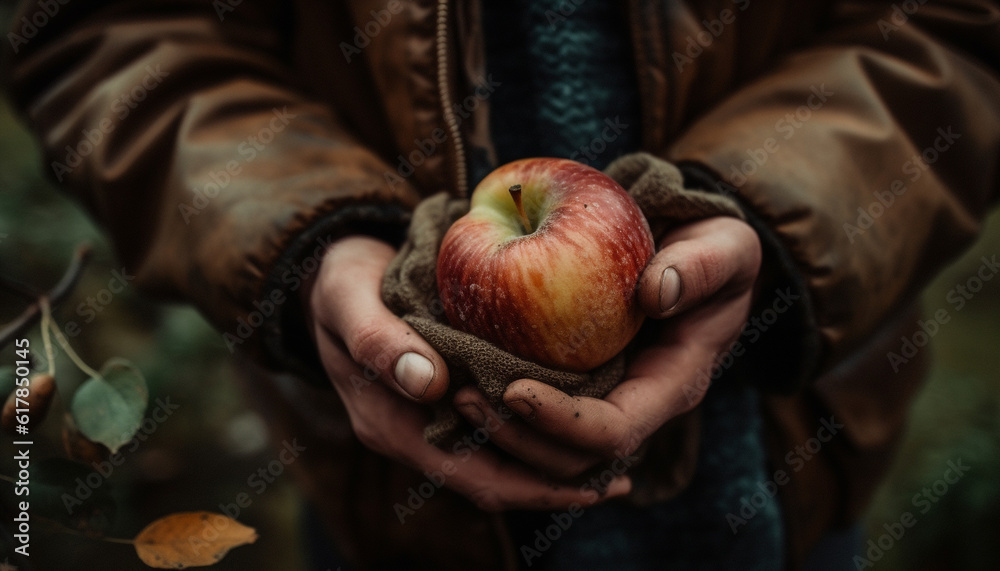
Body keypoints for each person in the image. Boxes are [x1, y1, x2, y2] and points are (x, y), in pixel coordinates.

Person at [5, 0, 998, 569]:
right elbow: (91, 30)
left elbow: (957, 30)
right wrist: (302, 247)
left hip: (784, 496)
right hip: (387, 514)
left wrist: (785, 226)